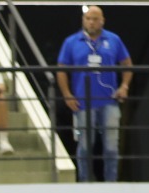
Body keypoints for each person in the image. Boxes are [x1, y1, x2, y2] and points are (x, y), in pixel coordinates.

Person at [56, 5, 132, 182]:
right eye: (88, 18)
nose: (91, 22)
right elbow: (61, 70)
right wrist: (67, 94)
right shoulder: (71, 42)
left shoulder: (113, 40)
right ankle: (85, 182)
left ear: (102, 20)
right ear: (83, 20)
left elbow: (127, 64)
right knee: (84, 147)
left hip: (109, 101)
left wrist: (124, 86)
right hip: (83, 102)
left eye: (95, 19)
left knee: (111, 146)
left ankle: (111, 182)